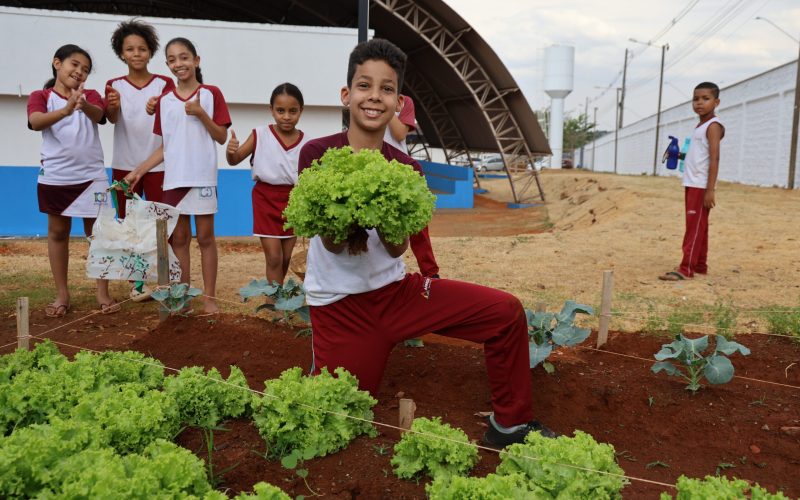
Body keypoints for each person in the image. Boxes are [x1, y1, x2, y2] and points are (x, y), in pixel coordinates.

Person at [298, 38, 553, 448]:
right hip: (342, 307)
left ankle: (510, 425)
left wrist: (384, 217)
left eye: (386, 89)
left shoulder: (406, 168)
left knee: (505, 313)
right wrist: (359, 207)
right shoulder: (317, 153)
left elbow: (399, 250)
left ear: (398, 102)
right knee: (334, 419)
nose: (374, 97)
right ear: (347, 95)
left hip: (399, 295)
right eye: (365, 86)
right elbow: (330, 243)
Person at [123, 38, 231, 314]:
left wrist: (200, 114)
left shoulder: (211, 93)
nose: (178, 64)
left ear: (196, 60)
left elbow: (220, 136)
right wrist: (138, 171)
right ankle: (183, 298)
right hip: (174, 179)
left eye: (184, 57)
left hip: (203, 178)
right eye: (171, 59)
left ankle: (209, 298)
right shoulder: (165, 101)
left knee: (206, 239)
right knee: (180, 240)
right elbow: (164, 147)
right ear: (168, 65)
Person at [27, 44, 120, 317]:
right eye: (74, 65)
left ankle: (102, 293)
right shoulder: (40, 95)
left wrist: (83, 104)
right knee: (58, 234)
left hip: (92, 178)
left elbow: (101, 115)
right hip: (56, 178)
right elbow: (36, 121)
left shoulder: (90, 95)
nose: (79, 72)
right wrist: (66, 110)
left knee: (98, 236)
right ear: (57, 63)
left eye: (85, 70)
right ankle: (62, 295)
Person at [106, 19, 175, 302]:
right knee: (130, 225)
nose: (136, 54)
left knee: (161, 225)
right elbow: (110, 119)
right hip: (123, 163)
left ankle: (163, 280)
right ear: (121, 53)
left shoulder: (165, 83)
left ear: (151, 51)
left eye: (142, 49)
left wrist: (158, 106)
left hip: (159, 164)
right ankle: (137, 283)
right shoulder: (113, 85)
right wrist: (112, 107)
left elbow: (173, 117)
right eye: (130, 49)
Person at [226, 83, 309, 285]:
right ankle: (276, 307)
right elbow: (235, 159)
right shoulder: (259, 135)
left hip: (293, 202)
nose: (286, 116)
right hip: (265, 199)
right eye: (280, 110)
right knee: (273, 257)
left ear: (301, 111)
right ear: (271, 110)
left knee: (286, 258)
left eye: (292, 111)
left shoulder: (307, 142)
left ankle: (277, 298)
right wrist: (230, 151)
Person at [659, 82, 724, 281]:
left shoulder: (713, 126)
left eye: (705, 99)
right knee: (699, 226)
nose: (699, 103)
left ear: (716, 102)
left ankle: (686, 269)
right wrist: (678, 155)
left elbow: (714, 158)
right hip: (692, 182)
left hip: (700, 185)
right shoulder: (700, 126)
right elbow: (699, 156)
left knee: (693, 227)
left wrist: (710, 190)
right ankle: (700, 265)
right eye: (696, 99)